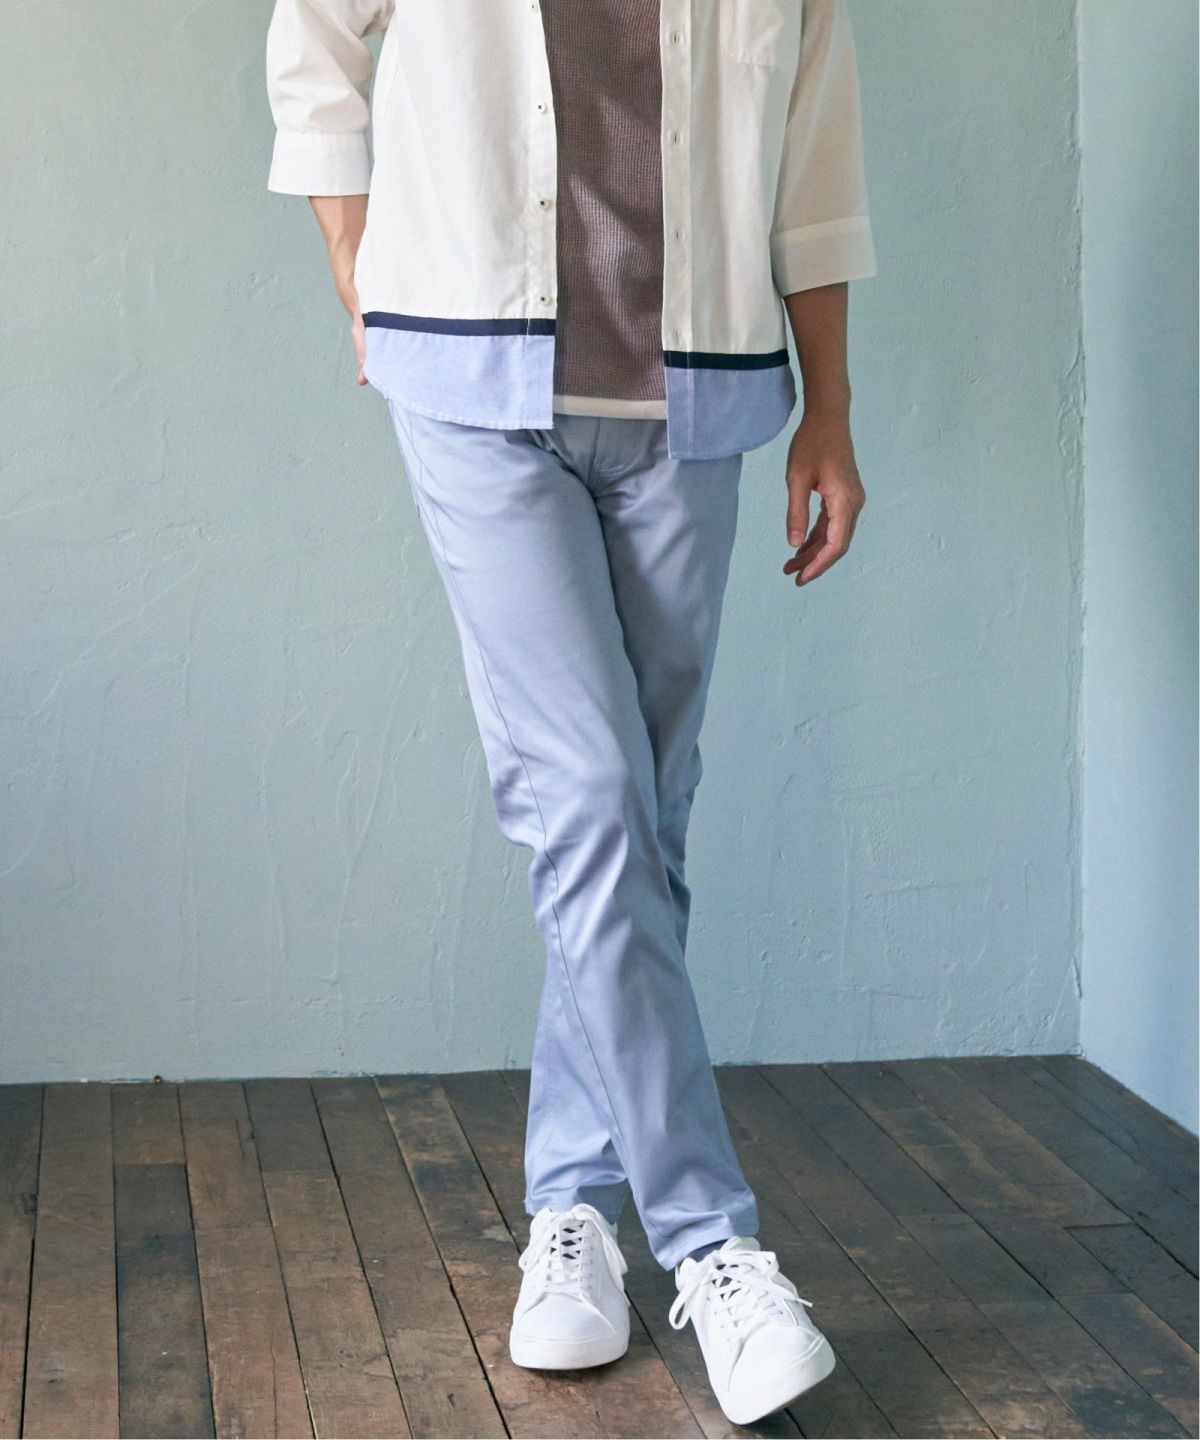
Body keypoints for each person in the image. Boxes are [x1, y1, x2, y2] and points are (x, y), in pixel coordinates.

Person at [265, 0, 875, 1424]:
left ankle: (574, 1210)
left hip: (700, 395)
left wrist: (833, 408)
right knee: (591, 798)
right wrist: (357, 267)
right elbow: (313, 44)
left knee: (644, 821)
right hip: (472, 375)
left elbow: (815, 162)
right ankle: (713, 1243)